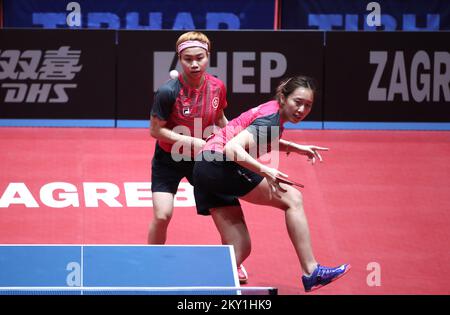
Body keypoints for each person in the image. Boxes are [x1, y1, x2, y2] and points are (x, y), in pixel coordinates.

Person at [192, 75, 351, 292]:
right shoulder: (271, 121)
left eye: (308, 105)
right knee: (293, 198)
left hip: (204, 166)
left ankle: (198, 287)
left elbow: (258, 136)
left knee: (240, 248)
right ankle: (311, 270)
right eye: (298, 102)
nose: (302, 110)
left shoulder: (271, 110)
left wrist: (295, 147)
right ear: (284, 98)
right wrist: (265, 169)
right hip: (220, 165)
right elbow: (232, 149)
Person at [148, 31, 250, 283]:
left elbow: (219, 120)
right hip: (168, 159)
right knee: (162, 215)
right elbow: (155, 130)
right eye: (188, 59)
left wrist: (235, 140)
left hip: (203, 159)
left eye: (200, 58)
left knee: (223, 210)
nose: (194, 64)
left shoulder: (217, 87)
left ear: (208, 57)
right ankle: (148, 261)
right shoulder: (167, 92)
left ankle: (232, 261)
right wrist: (191, 141)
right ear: (179, 59)